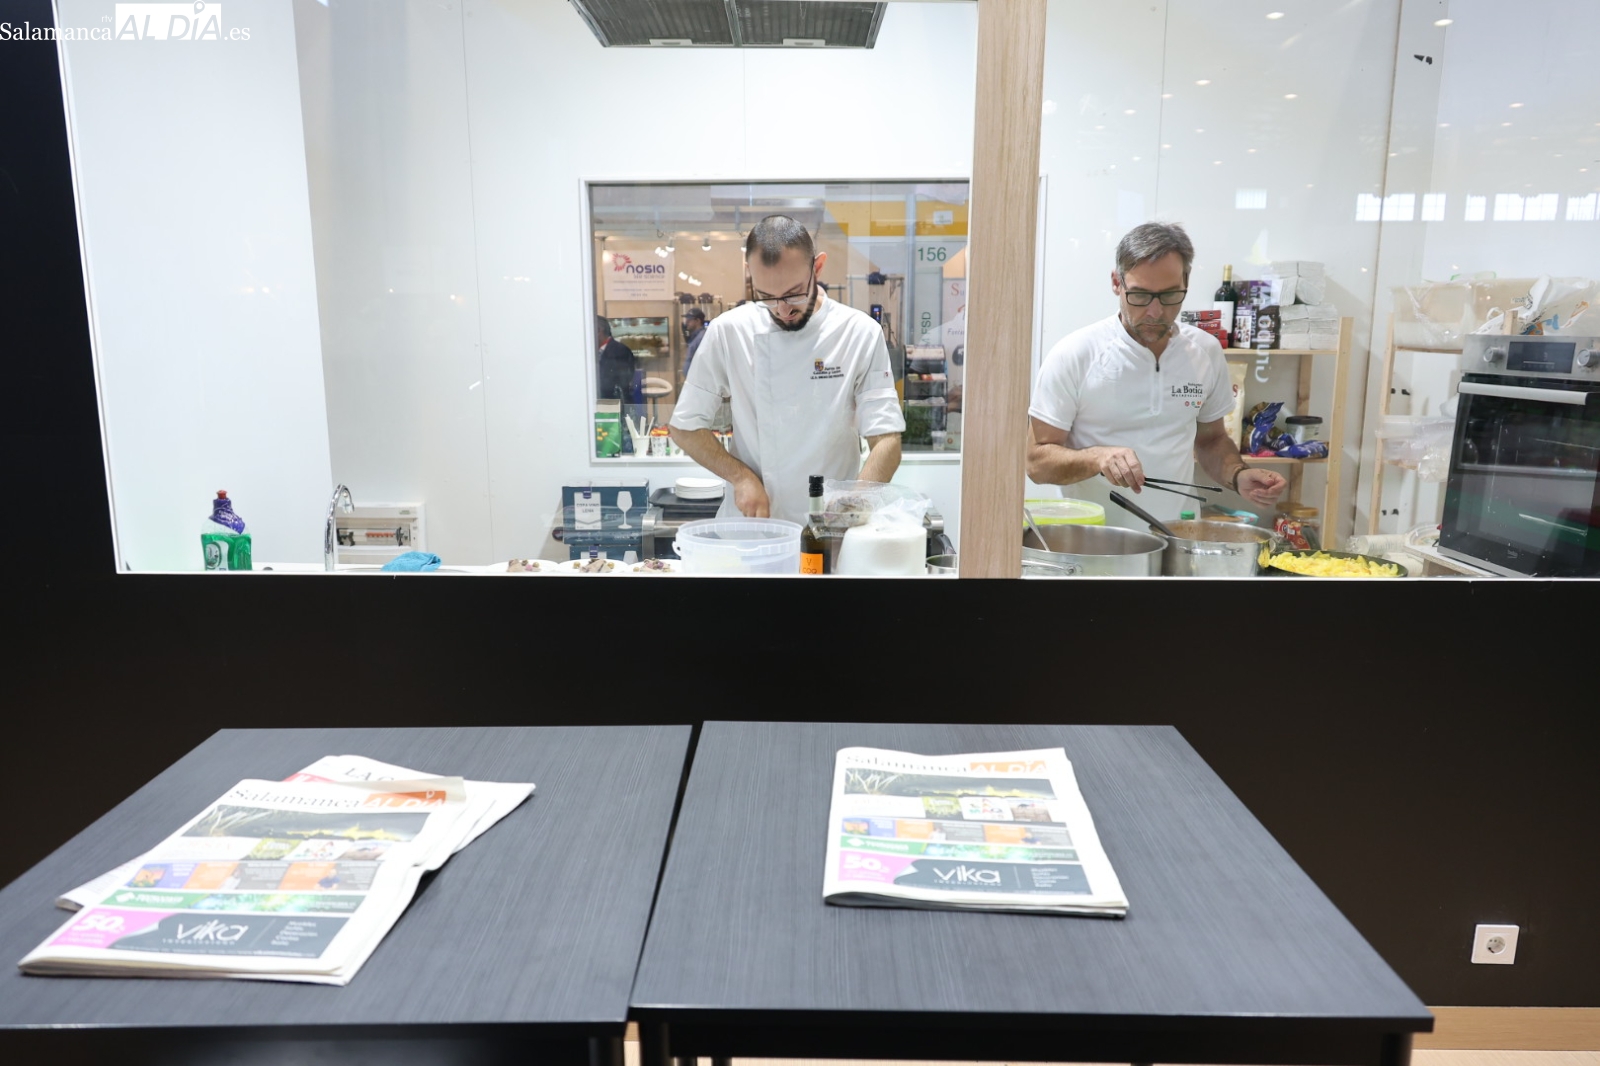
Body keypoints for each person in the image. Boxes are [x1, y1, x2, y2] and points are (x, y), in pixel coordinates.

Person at [1027, 221, 1286, 526]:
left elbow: (1212, 440)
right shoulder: (1076, 354)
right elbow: (1036, 462)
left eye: (1169, 295)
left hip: (1177, 536)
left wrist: (1238, 474)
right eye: (1140, 295)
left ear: (1186, 282)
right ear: (1116, 283)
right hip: (1094, 540)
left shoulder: (1204, 351)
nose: (1154, 311)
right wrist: (1097, 457)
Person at [668, 214, 905, 525]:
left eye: (794, 294)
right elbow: (684, 428)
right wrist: (740, 477)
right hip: (752, 529)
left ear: (817, 267)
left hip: (828, 525)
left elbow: (886, 441)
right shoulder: (729, 331)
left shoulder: (858, 332)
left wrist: (854, 505)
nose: (782, 310)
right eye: (766, 297)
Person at [595, 315, 636, 403]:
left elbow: (620, 381)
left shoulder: (620, 351)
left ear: (598, 330)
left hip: (614, 404)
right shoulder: (592, 352)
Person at [681, 307, 707, 376]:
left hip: (699, 378)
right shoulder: (695, 337)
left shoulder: (702, 337)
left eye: (689, 320)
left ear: (698, 321)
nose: (686, 322)